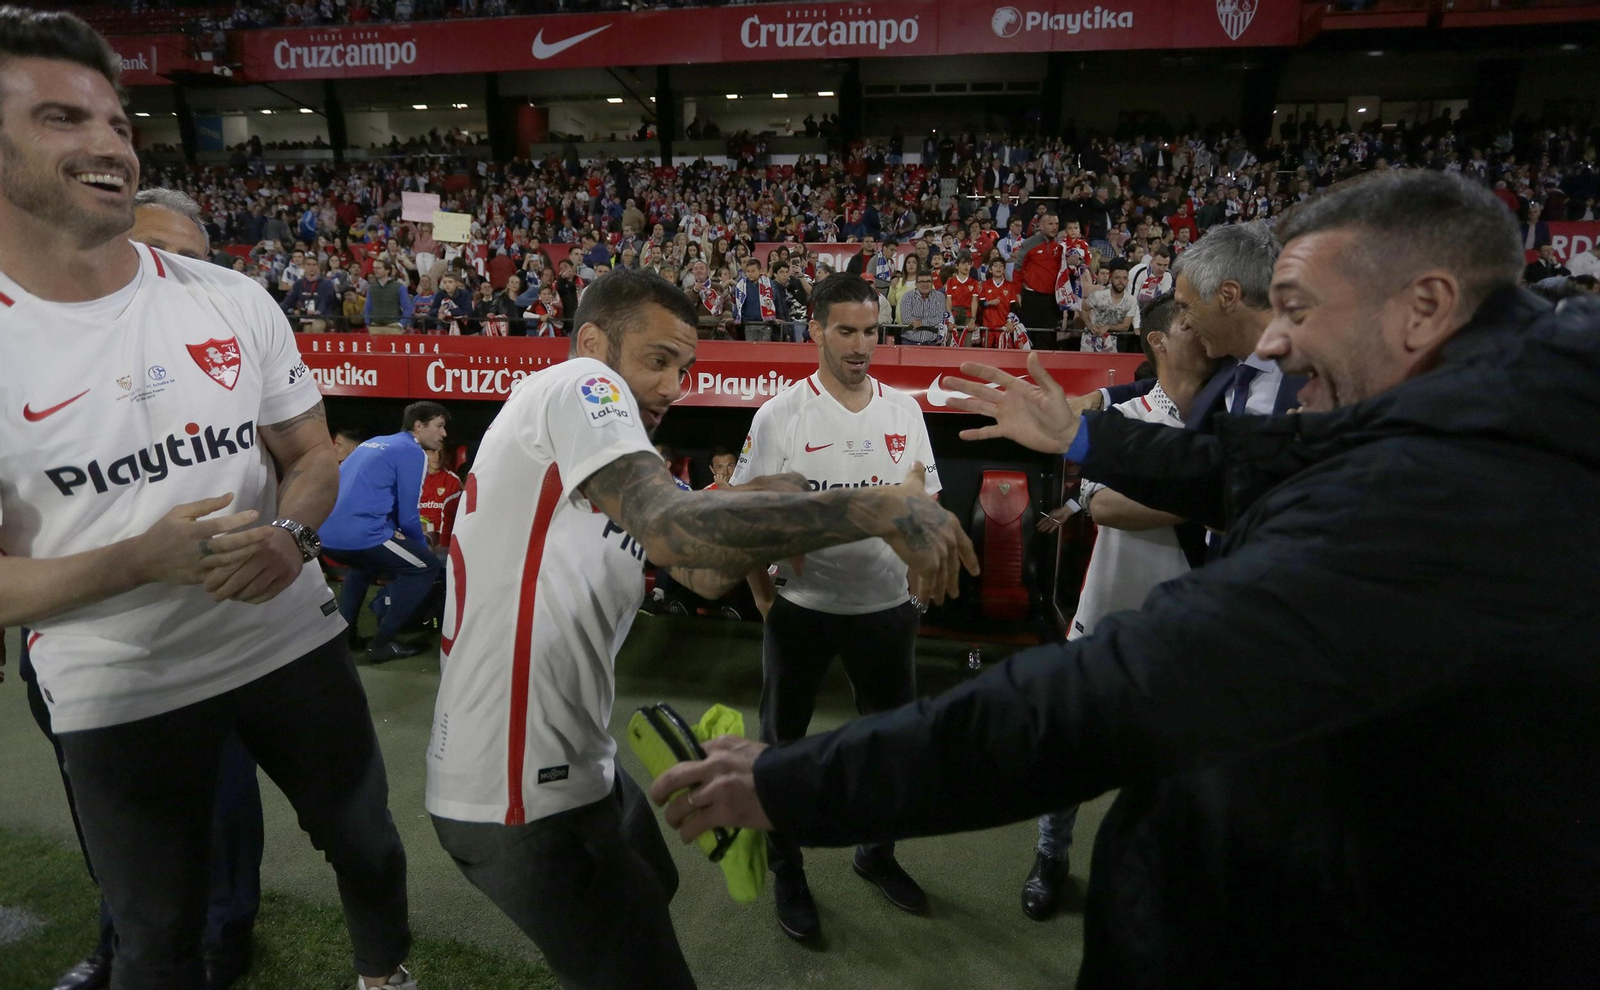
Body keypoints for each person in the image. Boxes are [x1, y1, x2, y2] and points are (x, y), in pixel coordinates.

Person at [650, 171, 1600, 988]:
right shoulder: (1508, 401)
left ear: (1424, 307)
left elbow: (1086, 705)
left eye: (1299, 310)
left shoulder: (1432, 509)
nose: (1271, 343)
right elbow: (1250, 461)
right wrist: (1086, 436)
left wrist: (795, 780)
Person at [0, 11, 417, 990]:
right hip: (118, 687)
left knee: (371, 850)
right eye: (64, 119)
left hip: (289, 642)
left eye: (115, 123)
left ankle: (387, 978)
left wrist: (289, 535)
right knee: (158, 940)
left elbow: (312, 456)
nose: (107, 143)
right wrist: (133, 562)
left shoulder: (230, 299)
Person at [424, 268, 976, 990]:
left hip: (577, 764)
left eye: (684, 368)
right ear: (592, 344)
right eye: (657, 361)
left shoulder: (607, 468)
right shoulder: (576, 386)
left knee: (655, 885)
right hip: (510, 788)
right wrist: (874, 507)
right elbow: (677, 531)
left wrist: (785, 494)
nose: (672, 387)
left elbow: (707, 572)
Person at [15, 188, 265, 990]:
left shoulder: (234, 342)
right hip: (73, 638)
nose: (166, 276)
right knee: (108, 812)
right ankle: (121, 935)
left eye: (189, 260)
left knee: (219, 805)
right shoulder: (45, 356)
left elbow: (305, 457)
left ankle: (223, 941)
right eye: (153, 253)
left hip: (209, 629)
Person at [732, 273, 942, 942]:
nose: (860, 345)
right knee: (782, 751)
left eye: (870, 331)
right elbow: (747, 517)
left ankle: (874, 852)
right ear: (816, 330)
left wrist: (921, 562)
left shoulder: (904, 412)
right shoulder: (779, 416)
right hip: (803, 611)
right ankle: (787, 871)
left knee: (891, 748)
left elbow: (924, 503)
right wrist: (766, 600)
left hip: (886, 611)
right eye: (846, 330)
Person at [1023, 295, 1215, 920]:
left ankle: (1153, 867)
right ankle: (1051, 855)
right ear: (1159, 340)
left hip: (1194, 624)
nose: (1204, 332)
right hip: (1109, 608)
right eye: (1189, 324)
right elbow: (1101, 505)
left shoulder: (1230, 412)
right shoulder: (1129, 413)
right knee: (1073, 746)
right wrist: (1215, 494)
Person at [320, 402, 449, 661]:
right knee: (425, 567)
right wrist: (420, 546)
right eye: (439, 426)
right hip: (360, 534)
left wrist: (391, 531)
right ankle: (382, 644)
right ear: (418, 426)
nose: (444, 434)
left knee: (363, 565)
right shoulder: (412, 452)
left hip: (326, 534)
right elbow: (409, 515)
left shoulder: (376, 442)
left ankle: (347, 638)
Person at [1015, 210, 1064, 347]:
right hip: (1032, 298)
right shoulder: (1029, 244)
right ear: (1041, 226)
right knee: (1030, 335)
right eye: (1050, 224)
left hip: (1052, 299)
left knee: (1048, 337)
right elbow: (1018, 269)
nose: (1054, 227)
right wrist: (1017, 293)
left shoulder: (1062, 247)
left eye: (1056, 224)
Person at [1078, 266, 1135, 353]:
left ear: (1127, 281)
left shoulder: (1130, 301)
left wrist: (1108, 327)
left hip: (1112, 342)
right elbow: (1081, 308)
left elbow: (1125, 326)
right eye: (1117, 278)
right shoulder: (1098, 296)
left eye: (1124, 278)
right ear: (1110, 279)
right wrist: (1089, 324)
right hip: (1090, 341)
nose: (1120, 282)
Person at [418, 444, 462, 549]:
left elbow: (453, 517)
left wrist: (428, 527)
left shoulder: (453, 481)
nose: (437, 457)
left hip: (436, 533)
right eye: (432, 452)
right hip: (413, 528)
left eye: (441, 453)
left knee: (424, 546)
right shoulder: (413, 478)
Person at [281, 257, 339, 332]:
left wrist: (317, 312)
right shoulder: (299, 284)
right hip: (306, 318)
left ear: (318, 267)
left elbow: (325, 301)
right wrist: (277, 310)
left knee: (317, 326)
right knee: (306, 328)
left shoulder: (327, 284)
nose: (311, 267)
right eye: (308, 264)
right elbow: (288, 301)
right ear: (304, 266)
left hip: (323, 318)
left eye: (314, 265)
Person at [897, 270, 949, 345]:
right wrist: (930, 322)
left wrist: (922, 323)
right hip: (909, 342)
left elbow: (941, 319)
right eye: (921, 282)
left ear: (932, 283)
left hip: (932, 343)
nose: (925, 284)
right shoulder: (908, 296)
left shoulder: (940, 297)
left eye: (928, 281)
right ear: (916, 284)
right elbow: (906, 319)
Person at [364, 257, 413, 334]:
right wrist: (368, 322)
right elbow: (367, 307)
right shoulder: (371, 288)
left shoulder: (399, 287)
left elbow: (407, 308)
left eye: (378, 268)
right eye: (374, 268)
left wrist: (401, 324)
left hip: (393, 326)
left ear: (387, 270)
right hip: (375, 326)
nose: (375, 270)